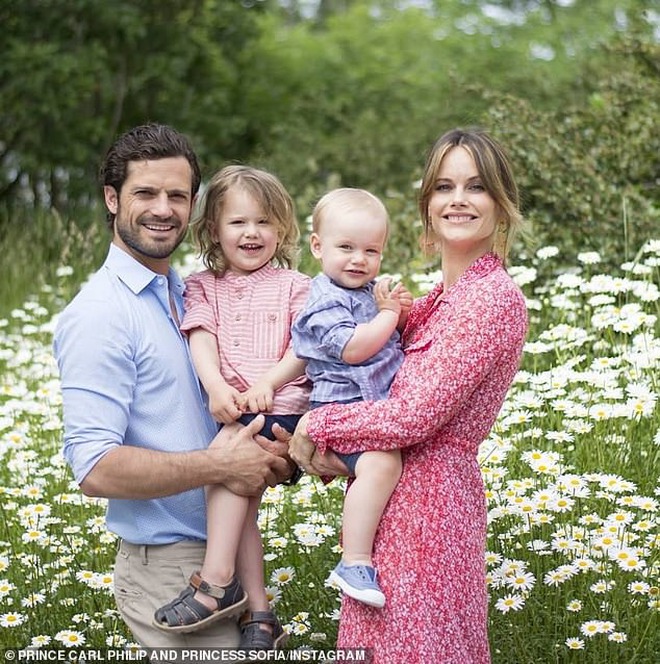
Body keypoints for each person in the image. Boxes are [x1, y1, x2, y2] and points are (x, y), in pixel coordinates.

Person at [286, 128, 528, 663]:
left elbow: (413, 417)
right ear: (427, 205)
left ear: (501, 203)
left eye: (476, 186)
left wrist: (316, 425)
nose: (458, 199)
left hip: (431, 512)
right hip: (392, 505)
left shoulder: (492, 300)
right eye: (444, 186)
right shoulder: (437, 300)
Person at [53, 124, 296, 649]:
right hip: (169, 567)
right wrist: (222, 465)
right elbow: (94, 468)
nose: (162, 208)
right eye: (145, 193)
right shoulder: (101, 315)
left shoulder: (194, 293)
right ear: (112, 199)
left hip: (231, 547)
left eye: (177, 195)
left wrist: (278, 455)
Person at [152, 165, 311, 650]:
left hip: (280, 407)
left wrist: (268, 382)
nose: (251, 233)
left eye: (264, 222)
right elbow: (202, 336)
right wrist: (216, 387)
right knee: (240, 508)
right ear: (214, 231)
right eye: (238, 222)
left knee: (225, 468)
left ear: (281, 229)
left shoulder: (296, 286)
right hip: (235, 407)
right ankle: (260, 613)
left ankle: (217, 582)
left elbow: (305, 346)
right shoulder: (203, 286)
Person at [291, 188, 411, 608]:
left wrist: (401, 310)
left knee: (385, 465)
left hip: (370, 406)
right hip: (340, 409)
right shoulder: (324, 300)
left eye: (371, 250)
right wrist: (389, 316)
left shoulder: (369, 291)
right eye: (346, 248)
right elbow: (354, 348)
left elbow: (390, 335)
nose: (359, 259)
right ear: (318, 247)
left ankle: (362, 557)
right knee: (381, 464)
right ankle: (355, 561)